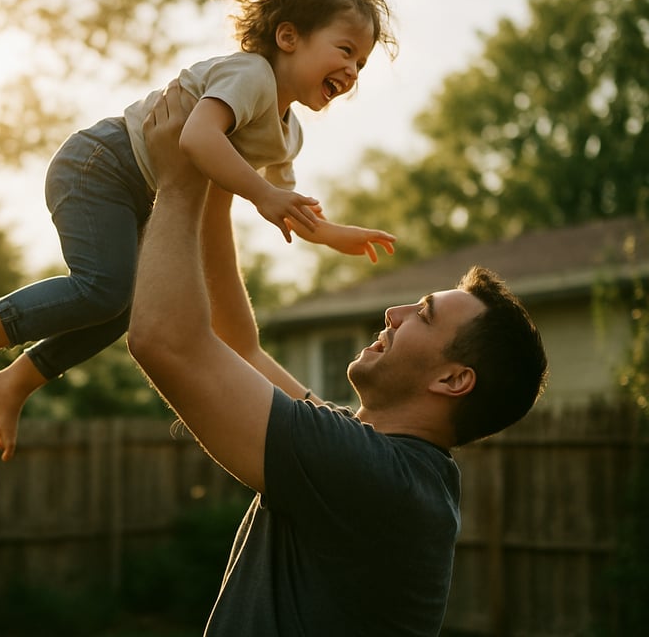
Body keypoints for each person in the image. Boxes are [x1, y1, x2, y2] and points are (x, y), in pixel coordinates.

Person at [0, 0, 397, 460]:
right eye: (345, 51)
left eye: (361, 64)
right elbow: (196, 138)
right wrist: (262, 195)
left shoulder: (289, 134)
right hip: (101, 165)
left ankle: (20, 376)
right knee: (105, 288)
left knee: (128, 302)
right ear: (288, 37)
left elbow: (289, 205)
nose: (352, 70)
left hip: (137, 192)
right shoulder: (250, 74)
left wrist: (332, 234)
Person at [127, 82, 548, 635]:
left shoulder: (373, 478)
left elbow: (165, 340)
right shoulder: (378, 460)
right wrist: (221, 177)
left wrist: (179, 182)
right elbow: (240, 348)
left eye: (422, 314)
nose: (393, 312)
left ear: (452, 378)